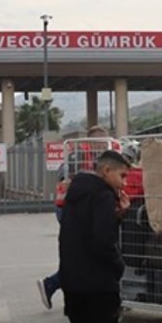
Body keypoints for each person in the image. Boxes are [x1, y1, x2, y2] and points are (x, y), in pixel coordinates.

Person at [36, 150, 131, 323]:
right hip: (99, 282)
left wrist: (117, 216)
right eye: (122, 175)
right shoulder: (102, 196)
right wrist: (118, 266)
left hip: (74, 280)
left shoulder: (76, 195)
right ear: (105, 172)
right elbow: (102, 240)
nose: (124, 183)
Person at [37, 125, 118, 310]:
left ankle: (55, 285)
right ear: (93, 142)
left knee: (83, 255)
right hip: (69, 210)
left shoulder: (99, 158)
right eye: (102, 143)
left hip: (77, 209)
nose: (106, 147)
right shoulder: (78, 155)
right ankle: (53, 284)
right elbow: (65, 175)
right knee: (84, 255)